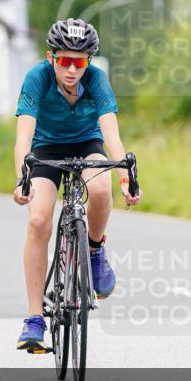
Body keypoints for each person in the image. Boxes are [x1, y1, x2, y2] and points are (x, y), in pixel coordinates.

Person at [13, 18, 142, 352]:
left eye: (79, 62)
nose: (71, 69)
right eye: (64, 60)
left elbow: (111, 134)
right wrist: (21, 180)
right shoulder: (36, 78)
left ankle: (96, 251)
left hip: (87, 144)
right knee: (39, 220)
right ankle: (34, 318)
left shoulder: (97, 80)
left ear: (89, 62)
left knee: (100, 191)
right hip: (45, 148)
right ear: (50, 57)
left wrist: (125, 179)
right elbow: (23, 136)